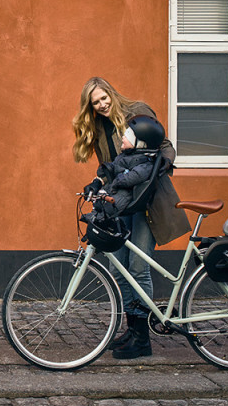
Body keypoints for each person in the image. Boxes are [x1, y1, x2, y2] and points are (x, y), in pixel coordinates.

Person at [72, 77, 190, 360]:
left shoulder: (137, 113)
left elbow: (164, 145)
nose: (101, 105)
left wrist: (159, 166)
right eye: (95, 102)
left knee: (137, 267)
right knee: (119, 269)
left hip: (147, 201)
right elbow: (111, 167)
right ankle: (133, 328)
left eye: (103, 98)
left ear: (111, 93)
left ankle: (143, 338)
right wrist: (96, 183)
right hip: (122, 204)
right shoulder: (101, 127)